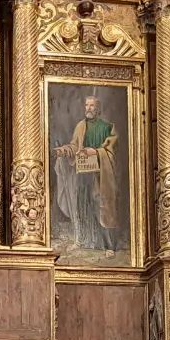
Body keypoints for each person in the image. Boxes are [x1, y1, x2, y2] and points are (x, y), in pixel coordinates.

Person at [53, 94, 120, 254]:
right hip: (83, 175)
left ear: (98, 109)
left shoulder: (107, 127)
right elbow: (74, 146)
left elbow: (111, 152)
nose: (88, 108)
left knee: (101, 207)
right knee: (81, 205)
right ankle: (82, 240)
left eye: (91, 106)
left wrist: (95, 152)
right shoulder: (80, 126)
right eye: (86, 105)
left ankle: (108, 246)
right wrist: (63, 150)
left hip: (100, 175)